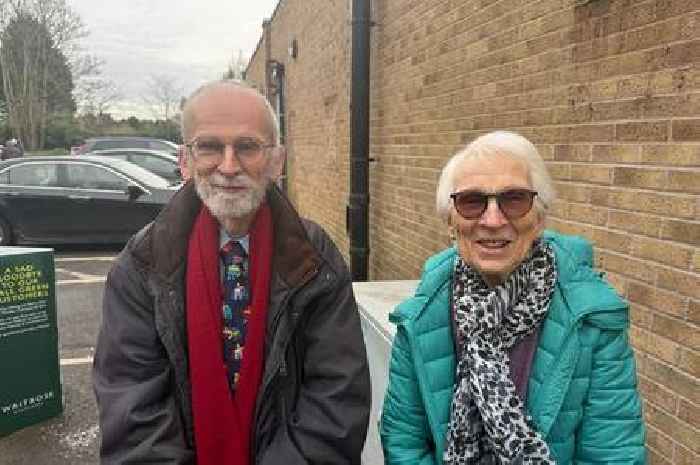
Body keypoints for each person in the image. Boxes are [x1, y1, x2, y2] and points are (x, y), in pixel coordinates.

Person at [93, 80, 371, 465]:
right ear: (185, 161)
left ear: (277, 160)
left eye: (247, 147)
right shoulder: (142, 263)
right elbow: (133, 411)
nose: (228, 166)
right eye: (209, 146)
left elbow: (336, 397)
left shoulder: (314, 257)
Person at [380, 131, 646, 464]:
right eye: (472, 201)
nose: (492, 220)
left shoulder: (592, 318)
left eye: (515, 199)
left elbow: (613, 454)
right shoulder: (421, 314)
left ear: (539, 216)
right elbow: (404, 442)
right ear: (450, 218)